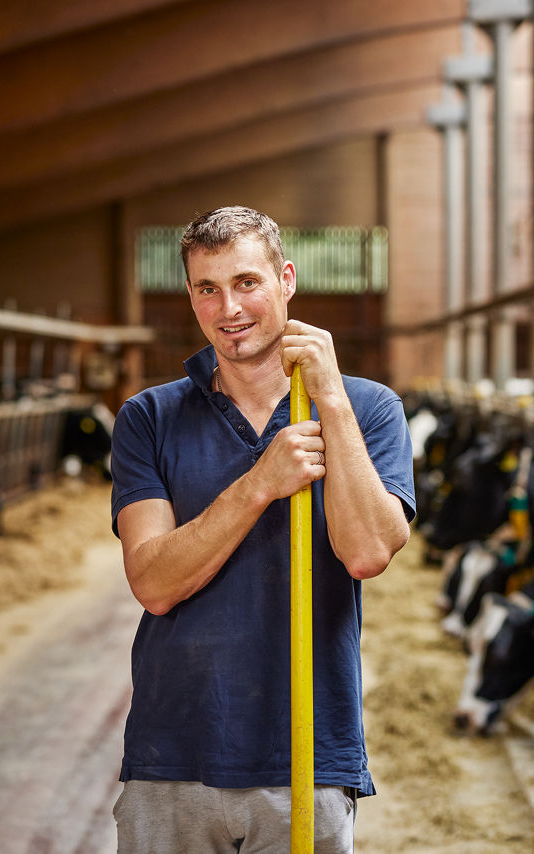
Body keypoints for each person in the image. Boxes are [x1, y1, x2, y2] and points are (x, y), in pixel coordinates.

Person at [109, 205, 415, 853]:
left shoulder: (369, 409)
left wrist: (330, 398)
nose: (229, 309)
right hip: (172, 758)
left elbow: (365, 554)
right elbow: (154, 583)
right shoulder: (149, 418)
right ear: (190, 296)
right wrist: (260, 484)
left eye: (247, 282)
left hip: (308, 753)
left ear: (286, 280)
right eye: (207, 289)